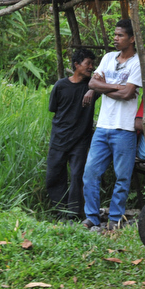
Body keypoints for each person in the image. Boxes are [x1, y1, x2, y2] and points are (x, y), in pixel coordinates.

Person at [82, 19, 142, 231]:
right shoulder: (108, 58)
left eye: (120, 36)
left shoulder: (137, 62)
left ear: (132, 39)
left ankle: (115, 218)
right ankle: (92, 217)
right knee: (90, 173)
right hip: (103, 127)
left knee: (122, 176)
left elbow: (128, 94)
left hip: (124, 129)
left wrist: (103, 87)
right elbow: (92, 83)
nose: (115, 39)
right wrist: (117, 85)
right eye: (114, 35)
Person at [46, 48, 97, 220]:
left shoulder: (93, 87)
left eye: (92, 64)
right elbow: (53, 109)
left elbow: (104, 79)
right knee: (54, 174)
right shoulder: (60, 85)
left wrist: (92, 89)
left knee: (77, 176)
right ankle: (61, 211)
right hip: (59, 137)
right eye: (87, 63)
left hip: (80, 140)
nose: (91, 67)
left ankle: (74, 213)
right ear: (76, 65)